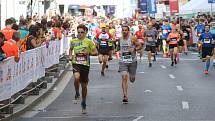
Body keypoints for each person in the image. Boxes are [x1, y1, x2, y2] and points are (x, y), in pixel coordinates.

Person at [69, 24, 98, 114]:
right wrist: (70, 56)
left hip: (85, 65)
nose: (80, 34)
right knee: (76, 78)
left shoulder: (89, 42)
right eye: (79, 32)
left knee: (84, 86)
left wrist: (88, 52)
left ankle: (84, 102)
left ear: (85, 32)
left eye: (82, 32)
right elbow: (70, 49)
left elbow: (95, 52)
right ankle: (77, 92)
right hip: (76, 63)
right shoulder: (73, 41)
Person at [118, 25, 141, 103]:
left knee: (132, 79)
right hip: (123, 61)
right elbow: (118, 48)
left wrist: (134, 49)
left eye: (126, 30)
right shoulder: (120, 39)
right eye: (123, 30)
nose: (124, 31)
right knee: (124, 76)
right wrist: (116, 51)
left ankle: (133, 76)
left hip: (132, 61)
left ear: (128, 31)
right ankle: (125, 95)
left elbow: (140, 45)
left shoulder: (132, 38)